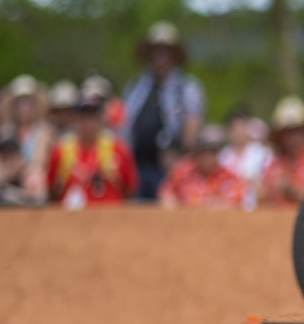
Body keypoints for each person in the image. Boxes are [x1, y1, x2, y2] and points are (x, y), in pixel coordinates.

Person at [122, 22, 205, 200]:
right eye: (155, 52)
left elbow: (192, 128)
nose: (160, 58)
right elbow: (123, 124)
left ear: (175, 56)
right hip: (136, 167)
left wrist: (181, 158)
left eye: (165, 52)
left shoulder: (187, 88)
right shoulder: (135, 88)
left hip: (170, 169)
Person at [46, 80, 138, 206]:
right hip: (71, 219)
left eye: (93, 116)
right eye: (84, 116)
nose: (89, 122)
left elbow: (130, 189)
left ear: (102, 117)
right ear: (75, 118)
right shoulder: (61, 149)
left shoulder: (118, 148)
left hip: (111, 219)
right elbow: (52, 190)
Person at [160, 125, 248, 209]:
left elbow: (235, 203)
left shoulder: (229, 177)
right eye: (203, 151)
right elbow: (165, 194)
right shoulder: (182, 172)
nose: (207, 157)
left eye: (212, 152)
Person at [0, 76, 55, 202]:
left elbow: (38, 162)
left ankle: (24, 198)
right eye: (19, 102)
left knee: (35, 176)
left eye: (28, 102)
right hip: (7, 174)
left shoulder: (43, 131)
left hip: (29, 175)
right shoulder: (5, 131)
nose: (24, 107)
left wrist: (19, 167)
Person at [219, 104, 271, 194]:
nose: (239, 132)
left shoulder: (262, 153)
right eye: (235, 128)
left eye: (242, 126)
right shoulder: (222, 156)